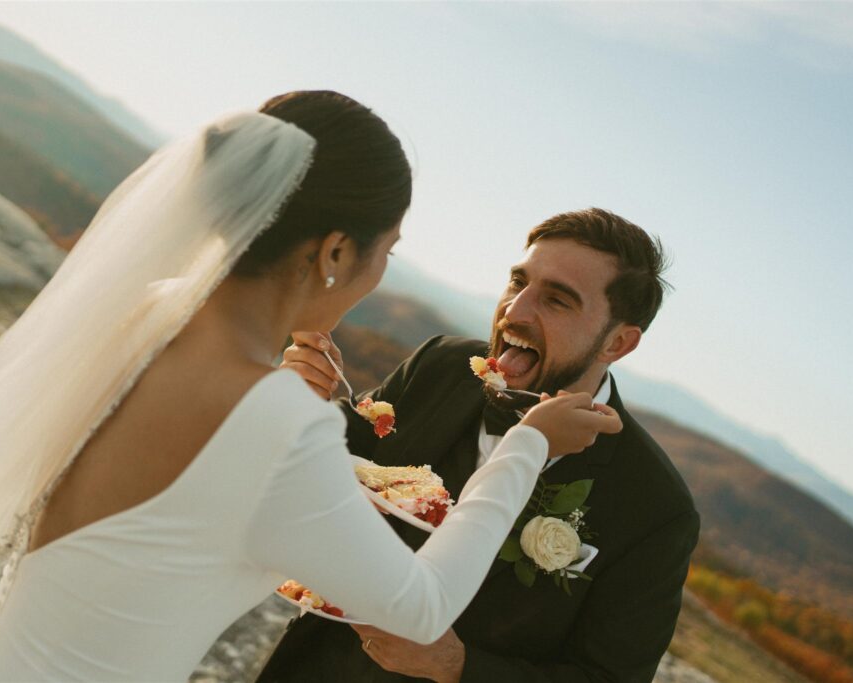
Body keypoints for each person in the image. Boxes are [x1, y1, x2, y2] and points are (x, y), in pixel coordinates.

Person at [0, 92, 622, 682]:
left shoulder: (146, 314)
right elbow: (419, 606)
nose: (381, 273)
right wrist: (527, 446)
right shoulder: (276, 415)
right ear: (335, 250)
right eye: (387, 249)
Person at [259, 208, 700, 683]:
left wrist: (456, 667)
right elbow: (329, 463)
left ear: (617, 343)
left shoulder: (656, 508)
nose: (514, 310)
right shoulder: (441, 364)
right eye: (518, 282)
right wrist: (302, 405)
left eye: (556, 300)